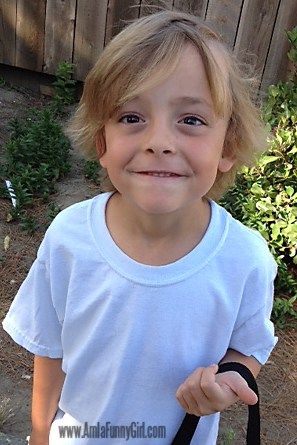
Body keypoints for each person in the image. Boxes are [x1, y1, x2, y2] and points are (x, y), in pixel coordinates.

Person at [2, 9, 278, 445]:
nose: (159, 141)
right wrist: (39, 434)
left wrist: (229, 380)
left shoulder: (245, 259)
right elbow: (49, 350)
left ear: (228, 147)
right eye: (131, 117)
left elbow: (250, 347)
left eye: (191, 120)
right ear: (102, 142)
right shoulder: (70, 237)